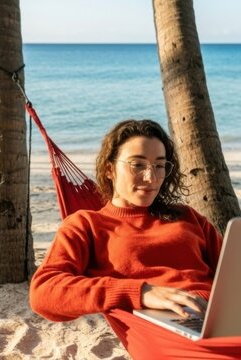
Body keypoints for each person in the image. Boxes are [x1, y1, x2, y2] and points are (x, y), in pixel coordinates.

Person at [29, 119, 222, 327]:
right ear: (109, 170)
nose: (151, 177)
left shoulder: (188, 217)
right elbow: (44, 292)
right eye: (137, 165)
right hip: (164, 325)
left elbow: (234, 272)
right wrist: (141, 292)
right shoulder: (87, 224)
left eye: (159, 165)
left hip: (219, 313)